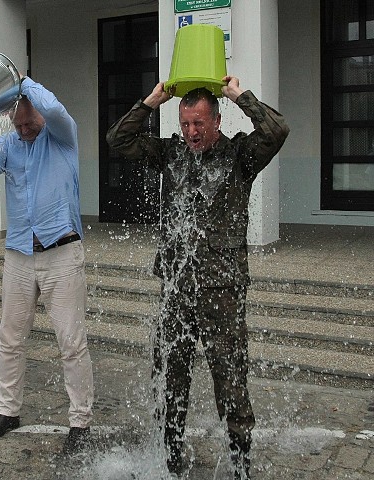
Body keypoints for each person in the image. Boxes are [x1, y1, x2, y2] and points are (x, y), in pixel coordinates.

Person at [106, 77, 289, 478]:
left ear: (217, 121)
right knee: (169, 376)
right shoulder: (169, 153)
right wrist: (152, 100)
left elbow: (277, 130)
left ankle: (240, 462)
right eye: (185, 124)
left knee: (231, 381)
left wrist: (240, 95)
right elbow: (118, 139)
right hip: (176, 290)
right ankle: (170, 455)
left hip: (221, 291)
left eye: (199, 124)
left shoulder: (241, 155)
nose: (191, 133)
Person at [0, 75, 94, 454]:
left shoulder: (62, 134)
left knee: (71, 343)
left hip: (62, 251)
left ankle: (80, 422)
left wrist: (21, 82)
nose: (25, 128)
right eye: (17, 123)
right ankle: (8, 411)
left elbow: (53, 109)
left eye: (29, 122)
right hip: (19, 253)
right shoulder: (8, 143)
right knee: (11, 338)